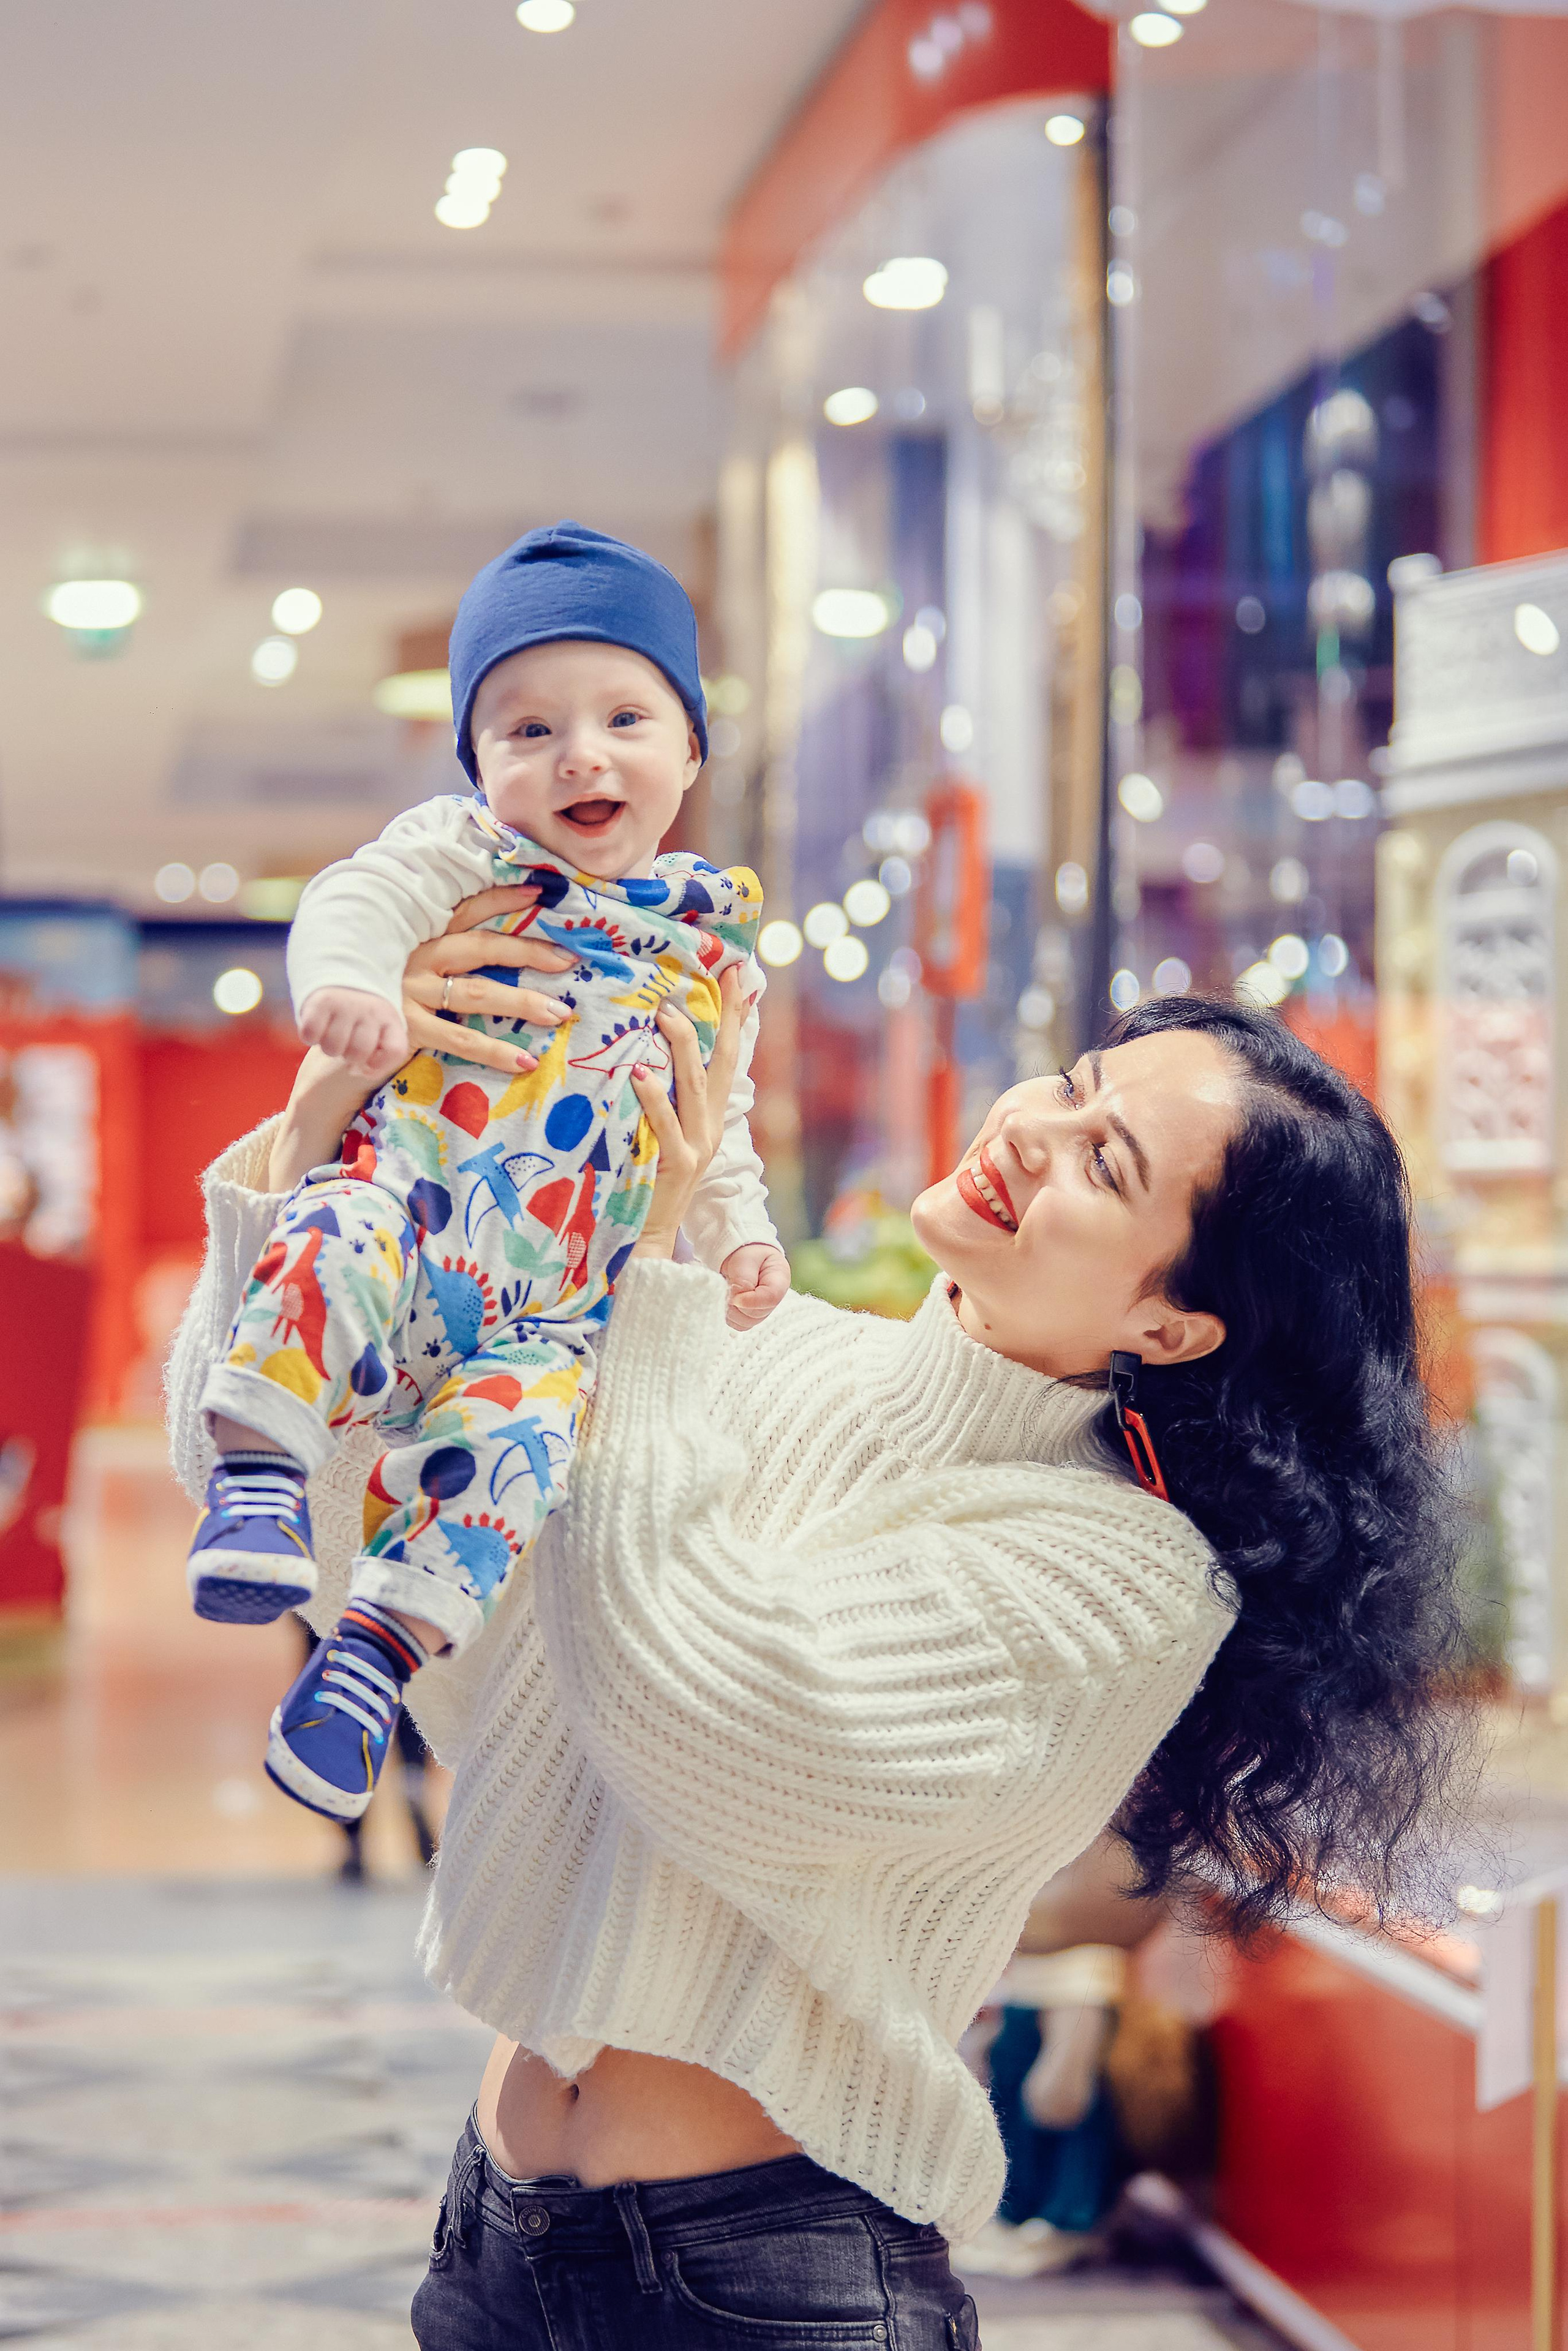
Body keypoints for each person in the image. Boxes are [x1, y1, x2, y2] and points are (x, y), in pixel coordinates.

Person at [166, 946, 1463, 2347]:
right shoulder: (766, 1355)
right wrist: (322, 1125)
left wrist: (647, 1278)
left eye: (1104, 1159)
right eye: (1068, 1087)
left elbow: (710, 1718)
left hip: (770, 2280)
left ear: (1172, 1318)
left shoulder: (1127, 1573)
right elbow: (316, 1507)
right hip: (494, 2240)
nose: (1029, 1130)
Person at [182, 522, 787, 1826]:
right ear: (476, 768)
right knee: (327, 1241)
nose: (580, 752)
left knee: (515, 1447)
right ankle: (257, 1477)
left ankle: (365, 1665)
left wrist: (737, 1227)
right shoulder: (471, 859)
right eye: (526, 730)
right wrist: (348, 990)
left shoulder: (710, 947)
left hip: (551, 1304)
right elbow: (352, 897)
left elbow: (718, 1106)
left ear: (689, 747)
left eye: (626, 715)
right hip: (416, 1195)